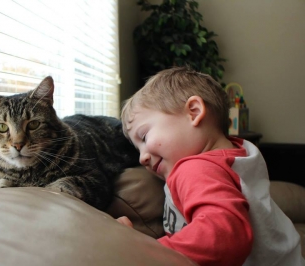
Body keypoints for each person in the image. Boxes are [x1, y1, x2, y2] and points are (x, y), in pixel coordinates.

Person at [117, 66, 304, 266]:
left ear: (194, 112)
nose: (142, 158)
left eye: (144, 137)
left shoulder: (195, 169)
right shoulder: (242, 153)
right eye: (138, 149)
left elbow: (223, 238)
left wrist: (141, 251)